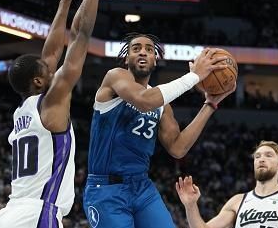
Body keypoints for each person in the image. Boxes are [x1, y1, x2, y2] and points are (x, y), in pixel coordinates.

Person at [0, 0, 104, 227]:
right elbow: (80, 35)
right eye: (49, 72)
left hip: (7, 215)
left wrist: (65, 2)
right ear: (39, 82)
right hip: (36, 214)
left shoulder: (24, 111)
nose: (54, 71)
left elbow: (50, 53)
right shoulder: (51, 101)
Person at [83, 33, 236, 228]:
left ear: (155, 60)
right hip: (106, 188)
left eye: (149, 49)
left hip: (142, 186)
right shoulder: (115, 77)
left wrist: (210, 104)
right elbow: (144, 101)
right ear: (126, 58)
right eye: (136, 48)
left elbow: (178, 148)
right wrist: (194, 76)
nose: (143, 53)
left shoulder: (163, 106)